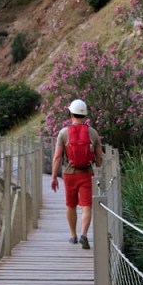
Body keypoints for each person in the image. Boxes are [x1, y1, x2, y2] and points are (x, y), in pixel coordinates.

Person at [49, 98, 102, 249]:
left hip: (69, 174)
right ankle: (84, 234)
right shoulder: (93, 133)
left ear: (71, 114)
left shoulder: (63, 133)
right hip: (87, 173)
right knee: (86, 206)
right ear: (85, 115)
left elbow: (57, 157)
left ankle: (73, 235)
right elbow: (99, 157)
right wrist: (98, 167)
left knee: (71, 205)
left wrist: (54, 177)